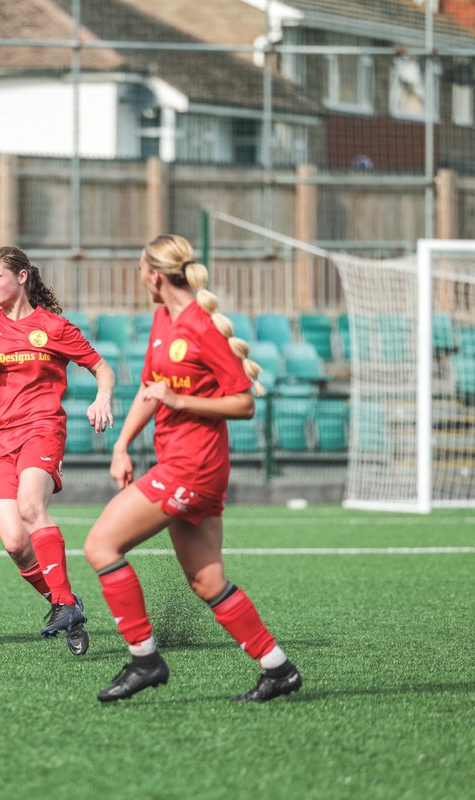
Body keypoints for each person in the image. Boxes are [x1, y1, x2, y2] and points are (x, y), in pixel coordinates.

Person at [84, 234, 301, 703]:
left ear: (155, 275)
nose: (140, 279)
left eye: (141, 270)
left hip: (193, 467)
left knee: (101, 544)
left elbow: (244, 402)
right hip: (180, 463)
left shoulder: (202, 327)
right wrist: (122, 444)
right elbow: (150, 386)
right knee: (207, 581)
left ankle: (145, 661)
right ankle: (277, 668)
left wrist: (180, 399)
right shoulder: (164, 319)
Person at [0, 246, 115, 656]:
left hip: (42, 430)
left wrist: (103, 398)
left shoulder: (53, 327)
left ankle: (62, 602)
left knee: (30, 508)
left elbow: (101, 367)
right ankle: (66, 603)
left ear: (21, 276)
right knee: (13, 543)